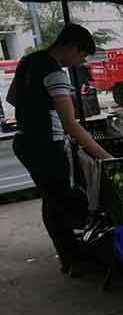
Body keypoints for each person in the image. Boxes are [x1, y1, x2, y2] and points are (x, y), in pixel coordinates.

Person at [6, 24, 113, 278]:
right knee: (62, 203)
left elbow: (12, 99)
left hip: (25, 141)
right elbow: (71, 126)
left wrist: (36, 108)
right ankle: (74, 259)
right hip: (46, 146)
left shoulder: (28, 61)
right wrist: (107, 158)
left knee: (52, 201)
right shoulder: (55, 74)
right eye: (82, 55)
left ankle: (69, 256)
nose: (80, 62)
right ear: (72, 47)